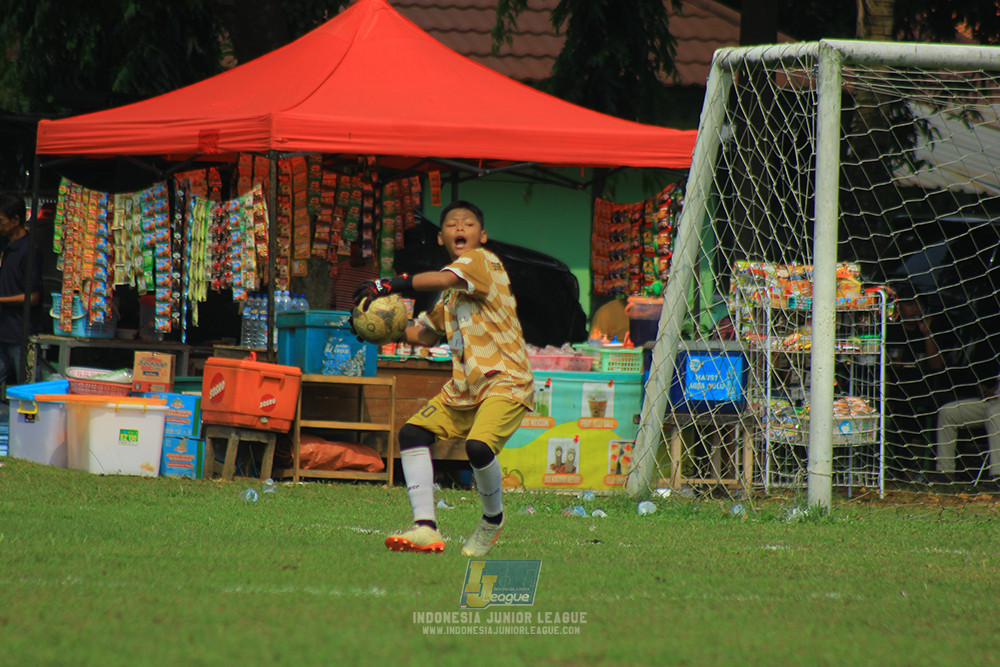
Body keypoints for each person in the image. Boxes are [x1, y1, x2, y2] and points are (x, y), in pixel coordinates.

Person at [351, 200, 534, 556]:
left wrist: (390, 283)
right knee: (412, 433)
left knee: (478, 448)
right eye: (452, 224)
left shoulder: (481, 261)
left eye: (468, 223)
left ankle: (492, 520)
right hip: (467, 387)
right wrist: (379, 331)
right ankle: (425, 528)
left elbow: (444, 276)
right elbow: (426, 335)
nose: (460, 228)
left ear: (482, 235)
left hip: (506, 379)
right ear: (441, 238)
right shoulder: (450, 297)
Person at [884, 286, 957, 480]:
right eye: (909, 304)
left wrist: (927, 335)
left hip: (924, 387)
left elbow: (936, 366)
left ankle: (929, 464)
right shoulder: (890, 331)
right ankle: (904, 464)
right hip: (896, 387)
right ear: (898, 307)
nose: (915, 308)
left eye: (918, 304)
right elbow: (885, 367)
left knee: (936, 405)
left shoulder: (929, 331)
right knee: (902, 404)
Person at [0, 194, 42, 386]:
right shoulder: (5, 247)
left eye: (1, 220)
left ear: (16, 220)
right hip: (3, 330)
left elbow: (33, 298)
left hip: (19, 333)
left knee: (29, 389)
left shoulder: (29, 250)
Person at [934, 370, 1000, 486]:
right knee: (948, 412)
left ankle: (997, 475)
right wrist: (992, 390)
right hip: (995, 399)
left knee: (994, 413)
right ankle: (946, 474)